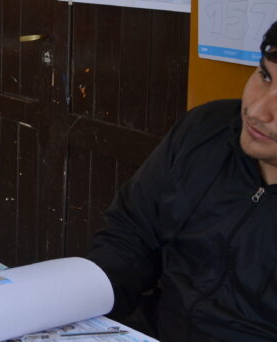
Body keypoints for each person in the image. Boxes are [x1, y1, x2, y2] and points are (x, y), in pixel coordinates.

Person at [87, 20, 277, 340]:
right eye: (265, 75)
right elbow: (131, 234)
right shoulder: (207, 128)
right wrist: (79, 296)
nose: (258, 111)